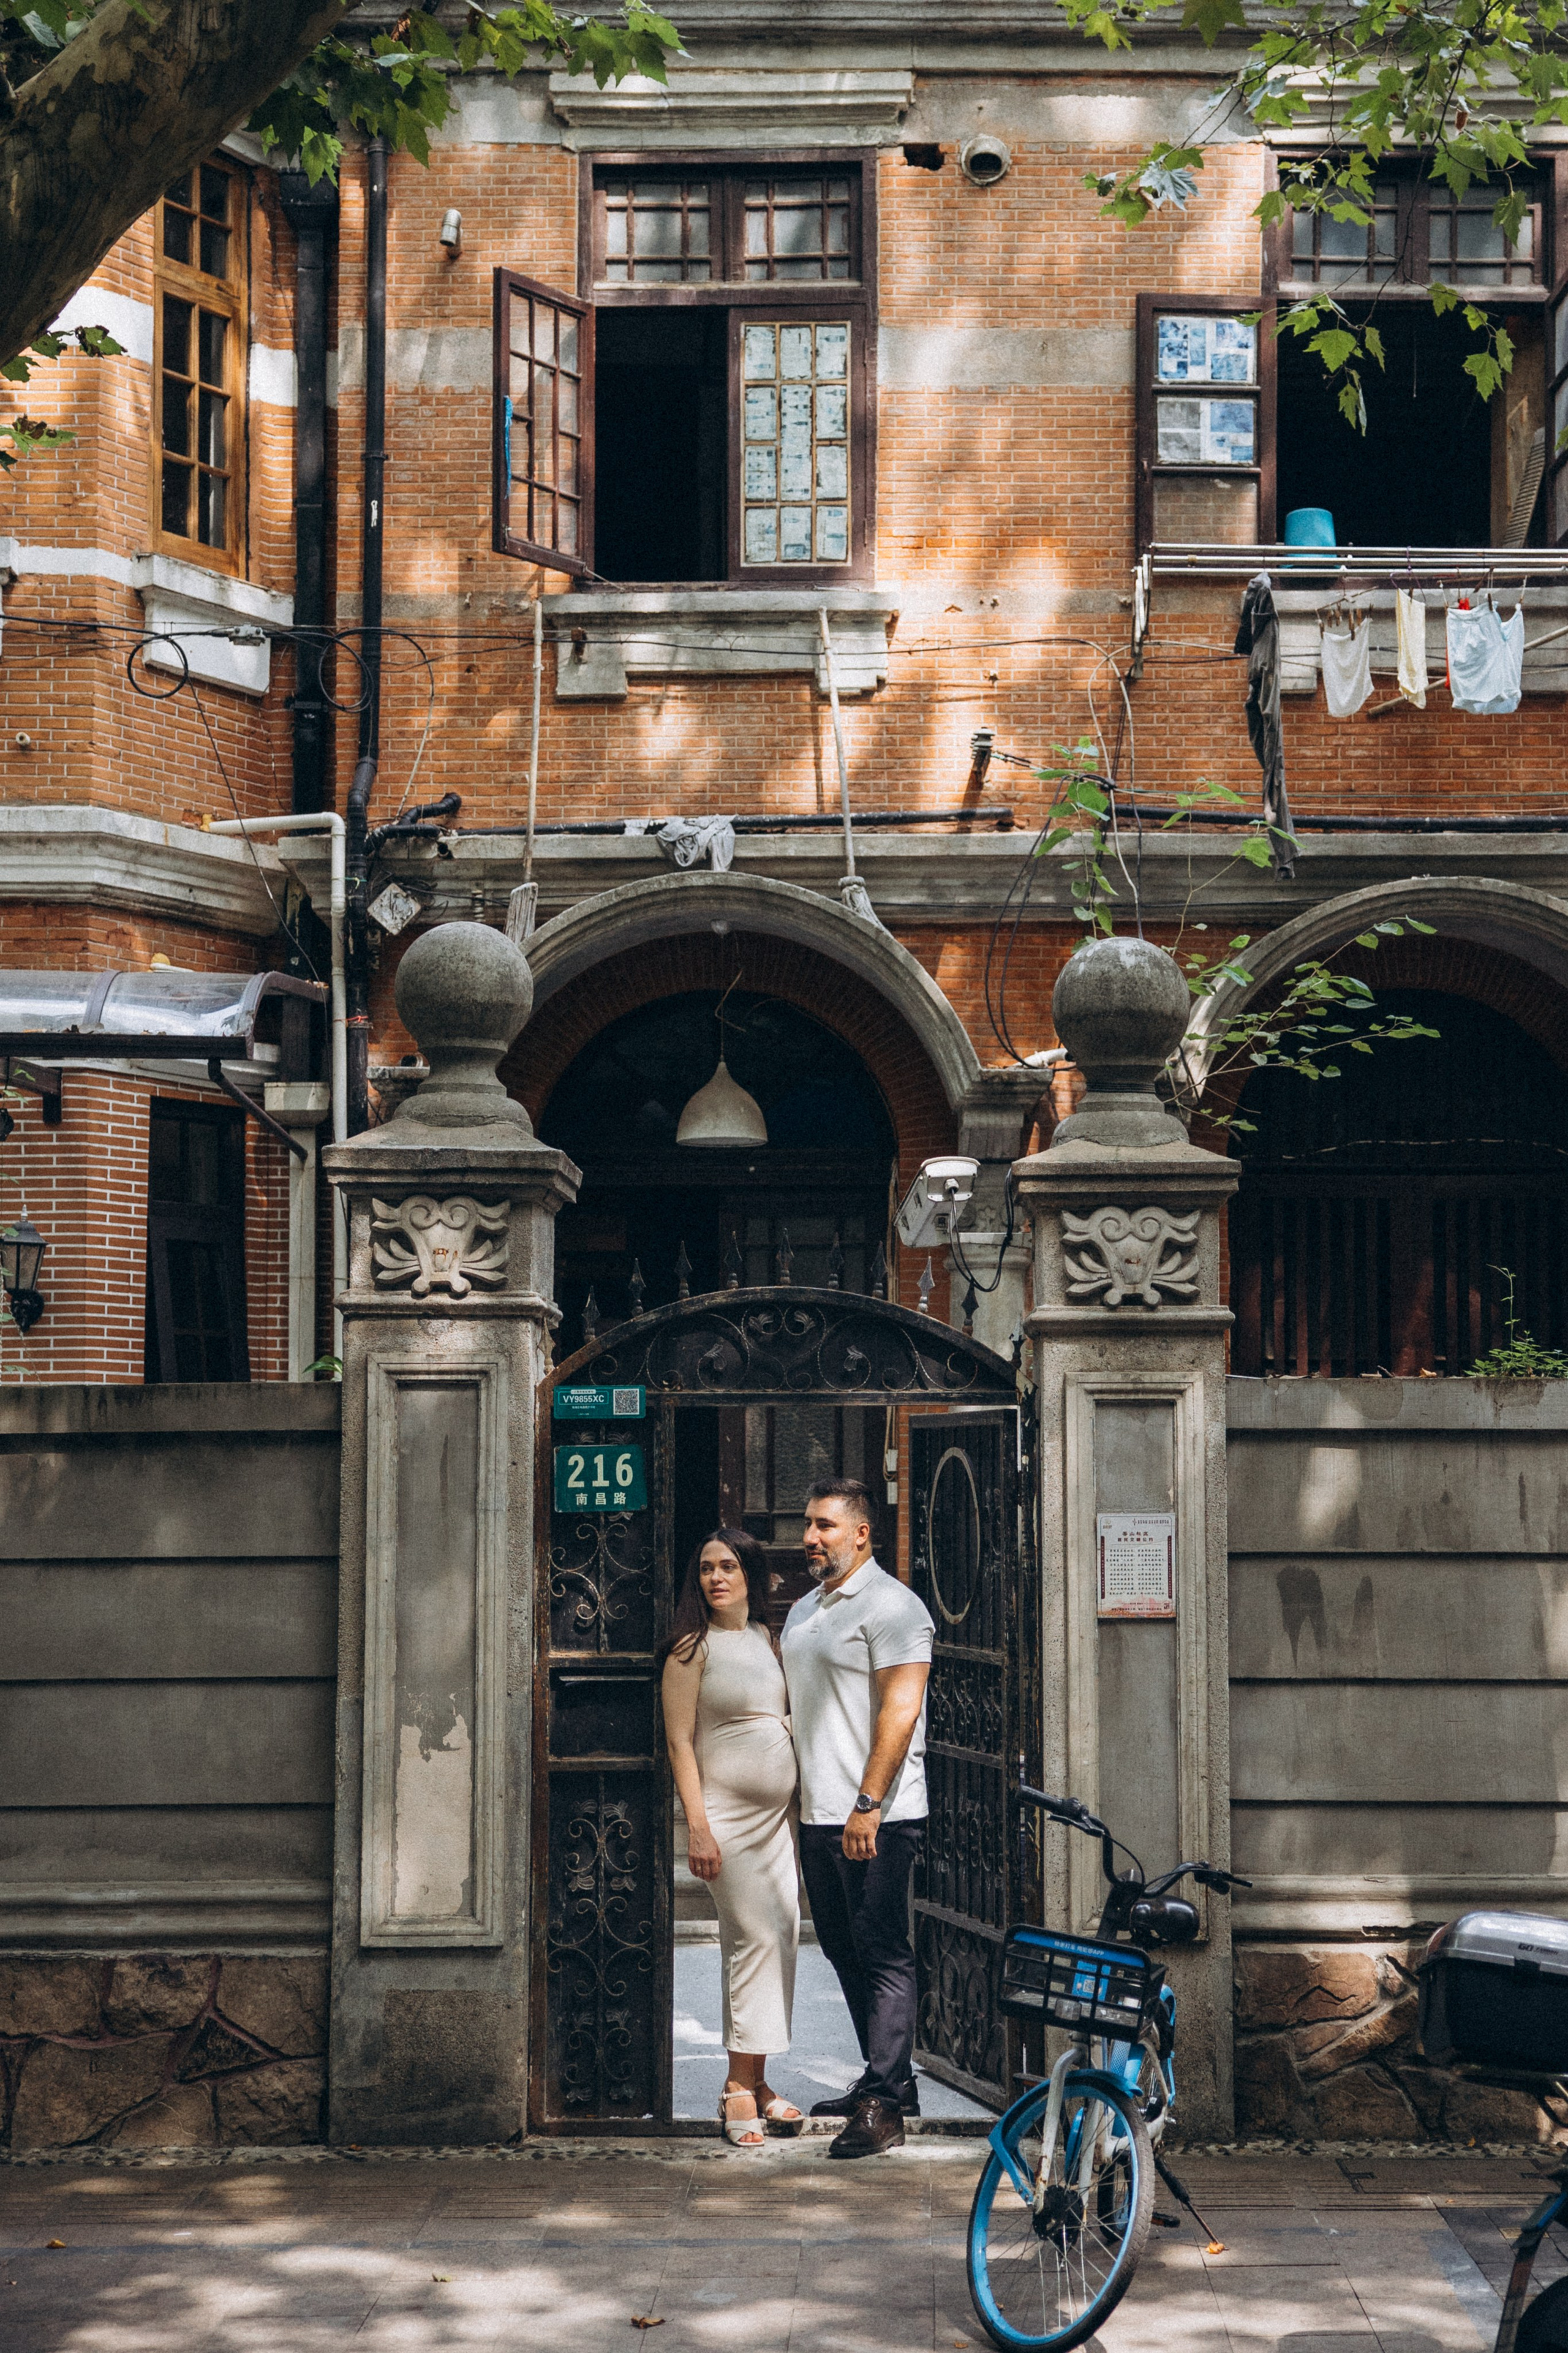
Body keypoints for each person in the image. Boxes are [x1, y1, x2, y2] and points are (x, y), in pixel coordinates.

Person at [780, 1477, 933, 2159]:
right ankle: (887, 2077)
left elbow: (899, 1713)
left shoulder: (894, 1607)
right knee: (843, 1951)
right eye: (808, 1525)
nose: (810, 1537)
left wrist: (868, 1803)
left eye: (824, 1526)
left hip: (878, 1814)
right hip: (819, 1815)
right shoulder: (806, 1609)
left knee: (882, 1951)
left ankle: (883, 2106)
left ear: (861, 1532)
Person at [660, 1526, 804, 2147]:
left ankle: (759, 2082)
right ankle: (737, 2088)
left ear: (751, 1574)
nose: (715, 1577)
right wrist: (697, 1826)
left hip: (777, 1823)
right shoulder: (689, 1650)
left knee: (782, 1936)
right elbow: (679, 1742)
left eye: (727, 1566)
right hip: (724, 1820)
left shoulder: (769, 1640)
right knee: (751, 1938)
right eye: (706, 1568)